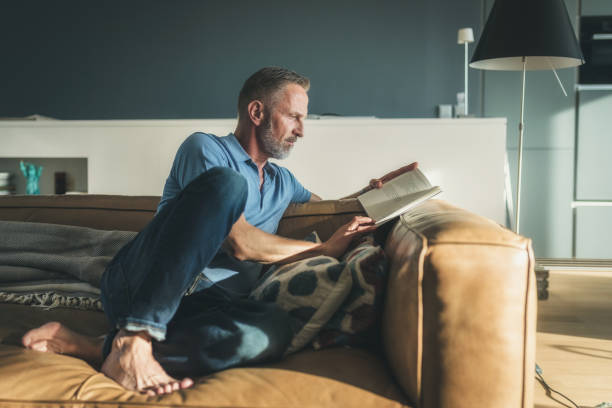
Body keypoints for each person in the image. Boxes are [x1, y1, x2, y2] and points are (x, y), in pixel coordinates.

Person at [21, 67, 417, 396]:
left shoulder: (284, 182)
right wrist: (323, 250)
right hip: (144, 286)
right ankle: (134, 337)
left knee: (271, 332)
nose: (301, 130)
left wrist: (376, 191)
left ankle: (94, 347)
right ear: (257, 112)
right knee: (229, 185)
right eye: (294, 117)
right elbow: (240, 243)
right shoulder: (205, 149)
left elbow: (334, 212)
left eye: (304, 119)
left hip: (208, 306)